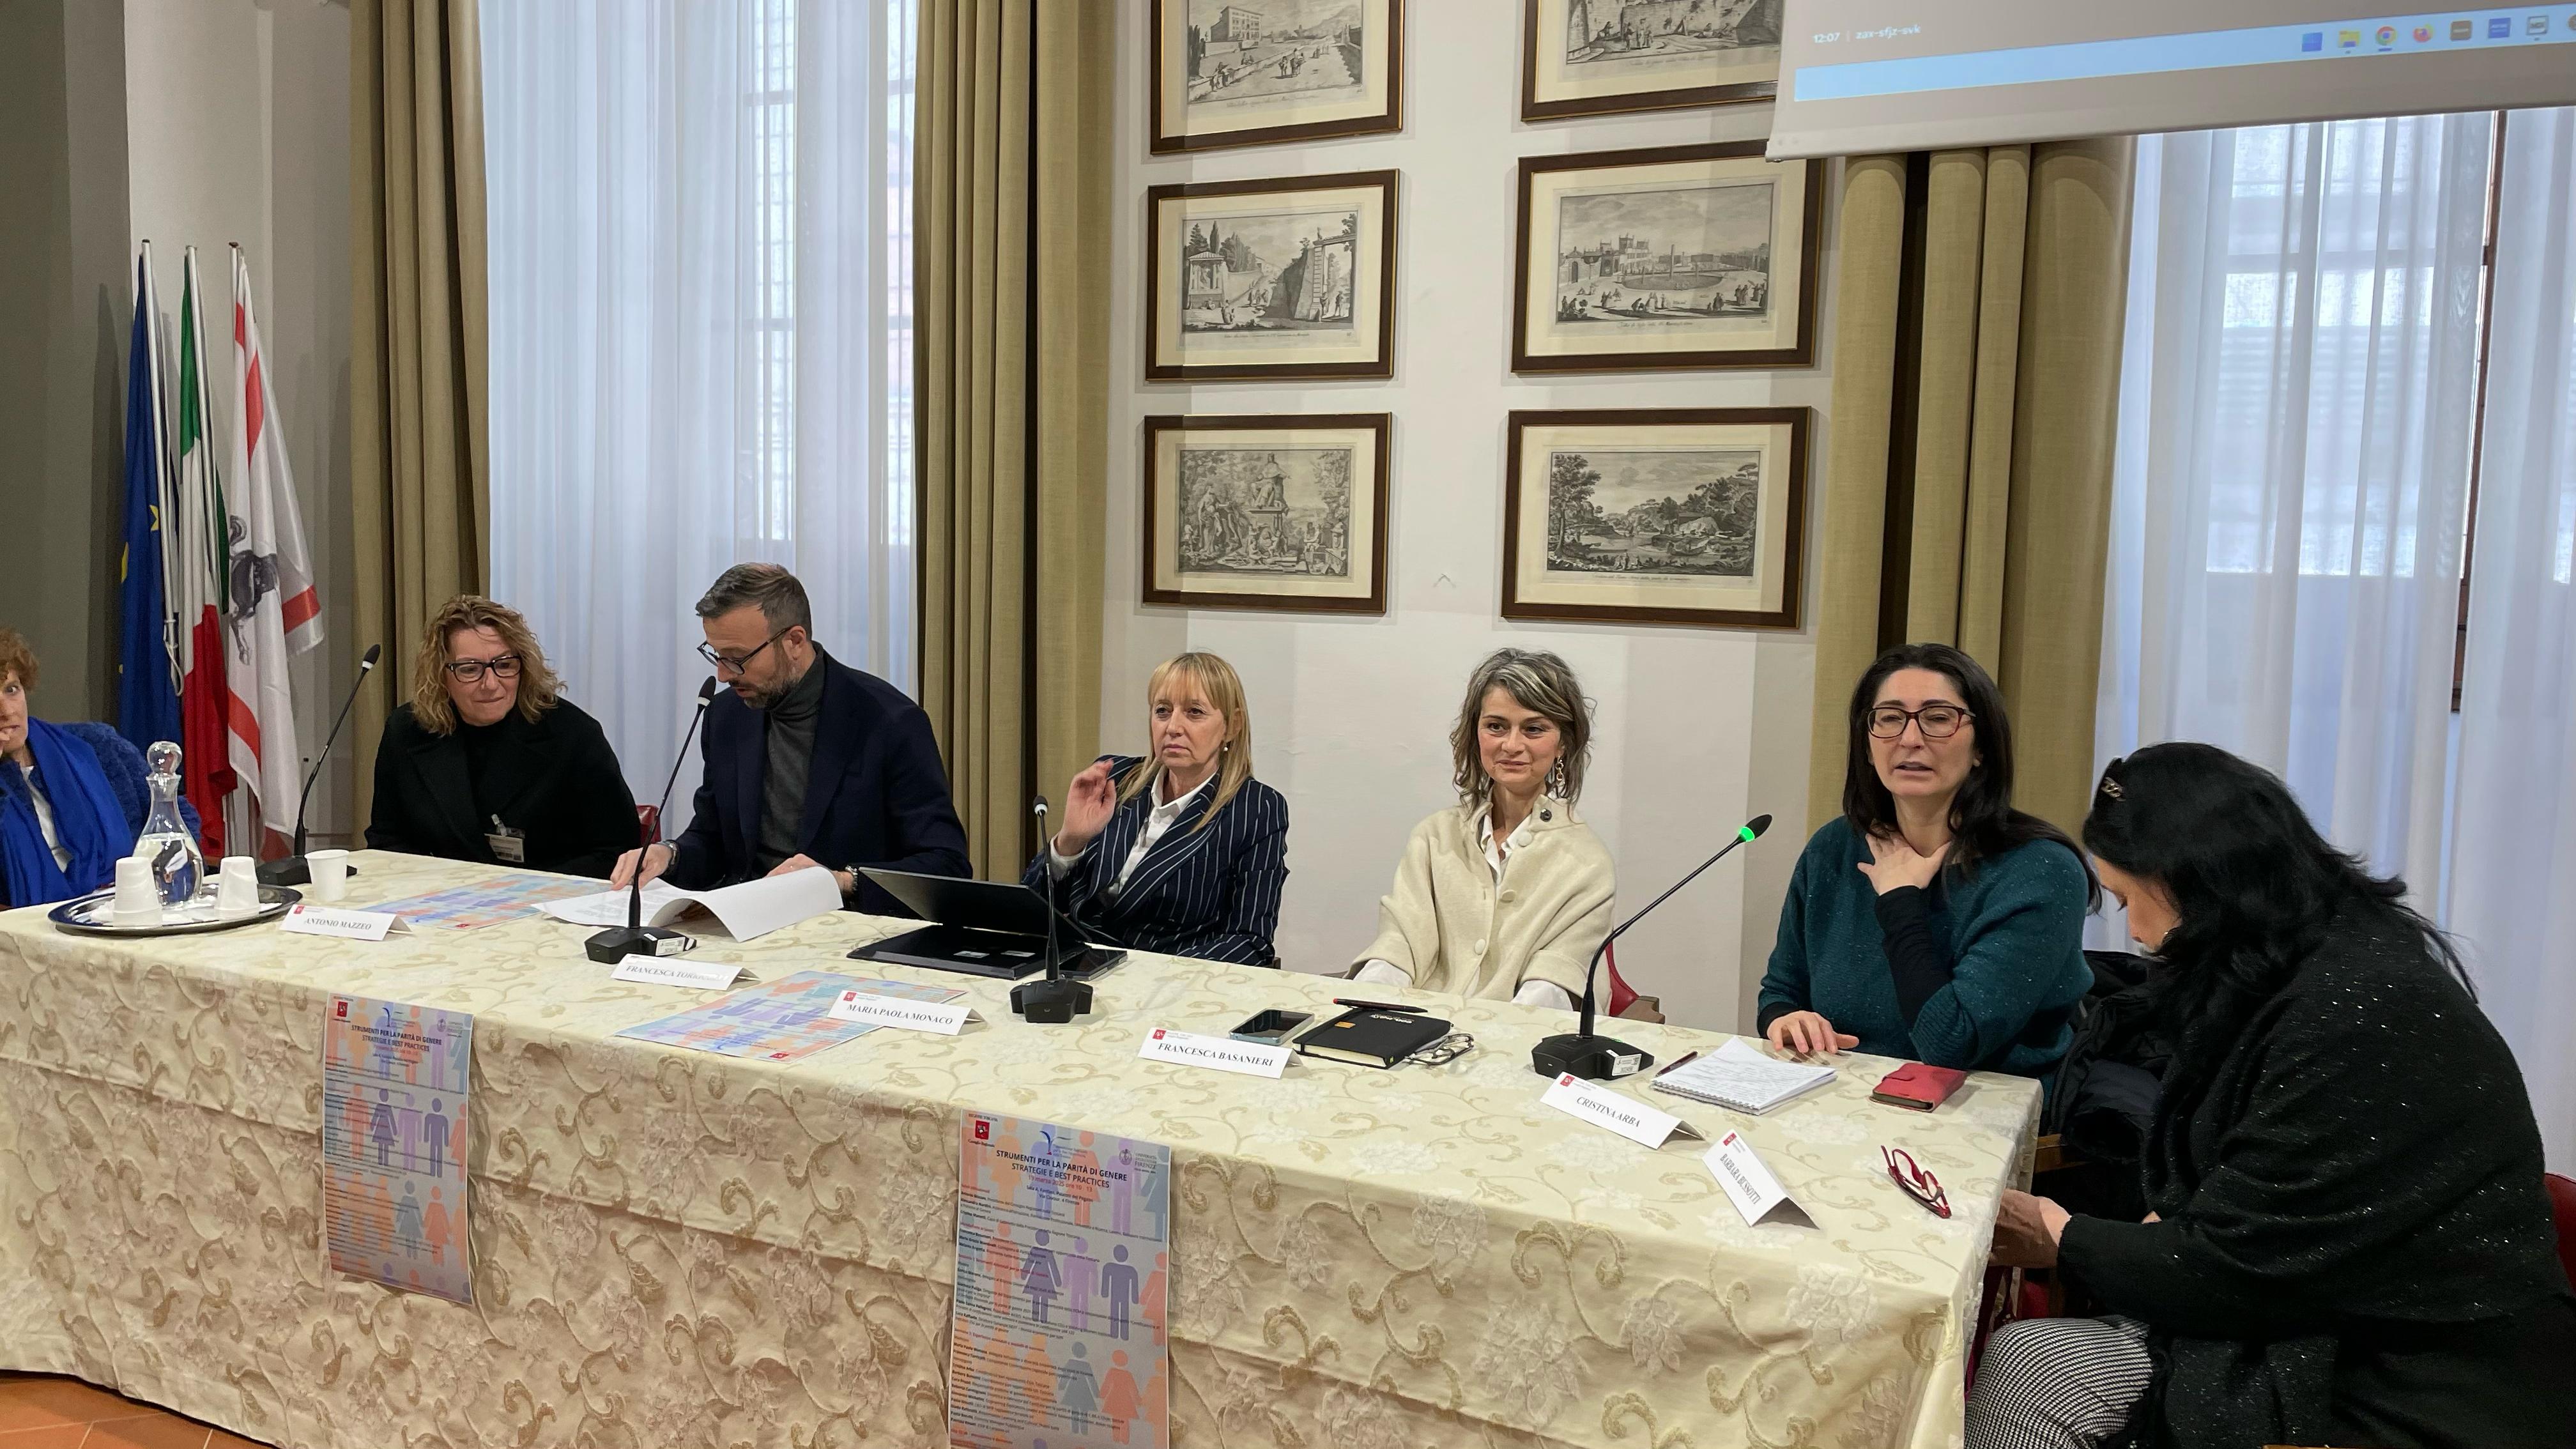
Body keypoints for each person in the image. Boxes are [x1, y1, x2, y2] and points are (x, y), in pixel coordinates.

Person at [1972, 742, 2576, 1449]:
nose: (2133, 931)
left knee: (2033, 1370)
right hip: (2327, 1311)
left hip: (2408, 1375)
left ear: (2199, 879)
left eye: (2132, 899)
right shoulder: (2310, 959)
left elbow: (2248, 1266)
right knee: (2032, 1358)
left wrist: (2063, 1237)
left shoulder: (2358, 1010)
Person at [1757, 642, 2093, 1075]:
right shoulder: (1833, 847)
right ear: (1867, 745)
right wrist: (1785, 1019)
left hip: (1980, 1104)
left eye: (1938, 719)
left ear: (1981, 748)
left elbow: (1952, 1044)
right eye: (1890, 718)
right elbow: (1782, 988)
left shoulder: (2040, 871)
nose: (1910, 739)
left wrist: (1900, 900)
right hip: (1841, 1094)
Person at [612, 563, 969, 914]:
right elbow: (713, 841)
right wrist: (669, 855)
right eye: (717, 656)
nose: (722, 675)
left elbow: (946, 865)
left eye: (737, 659)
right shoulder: (726, 716)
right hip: (744, 920)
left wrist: (841, 881)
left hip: (844, 927)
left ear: (795, 641)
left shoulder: (890, 722)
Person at [1350, 648, 1611, 1006]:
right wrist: (1361, 1005)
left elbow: (1553, 986)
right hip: (1418, 1023)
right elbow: (1399, 947)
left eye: (1534, 729)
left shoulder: (1587, 862)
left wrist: (1489, 1032)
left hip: (1519, 1030)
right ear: (1476, 734)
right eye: (1496, 726)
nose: (1512, 745)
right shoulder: (1434, 836)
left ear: (1563, 743)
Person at [1024, 652, 1287, 966]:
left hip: (1170, 978)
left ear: (1232, 726)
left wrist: (1157, 978)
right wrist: (1070, 841)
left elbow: (1250, 940)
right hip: (1075, 965)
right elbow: (1032, 910)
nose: (1173, 727)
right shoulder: (1115, 779)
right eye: (1162, 711)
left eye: (1194, 712)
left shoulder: (1256, 808)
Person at [365, 596, 637, 877]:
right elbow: (387, 841)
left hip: (550, 896)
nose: (491, 684)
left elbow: (617, 851)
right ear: (440, 675)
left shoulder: (573, 734)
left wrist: (523, 891)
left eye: (505, 665)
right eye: (470, 669)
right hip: (438, 892)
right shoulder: (407, 731)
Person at [0, 628, 180, 909]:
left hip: (126, 908)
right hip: (28, 926)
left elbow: (174, 815)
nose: (7, 711)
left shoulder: (94, 744)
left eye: (12, 690)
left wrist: (157, 876)